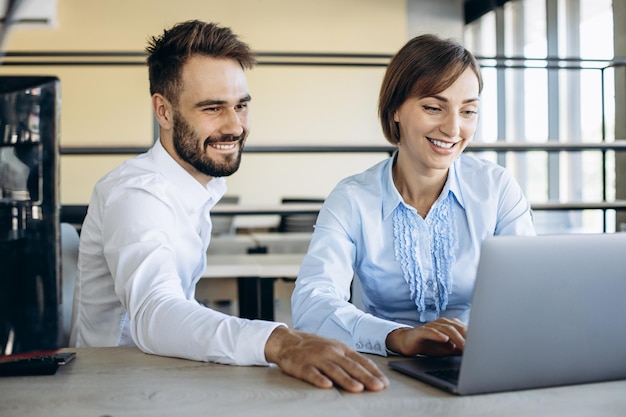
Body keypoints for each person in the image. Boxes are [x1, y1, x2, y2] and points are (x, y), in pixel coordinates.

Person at [70, 20, 388, 393]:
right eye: (212, 108)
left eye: (240, 106)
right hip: (113, 390)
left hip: (159, 378)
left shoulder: (197, 185)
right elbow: (154, 313)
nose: (235, 125)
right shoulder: (136, 194)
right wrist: (279, 342)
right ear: (164, 111)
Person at [291, 34, 536, 358]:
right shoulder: (352, 199)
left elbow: (530, 292)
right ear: (395, 110)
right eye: (434, 107)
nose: (453, 129)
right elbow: (312, 307)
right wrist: (397, 337)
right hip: (384, 365)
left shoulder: (497, 188)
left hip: (481, 359)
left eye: (468, 111)